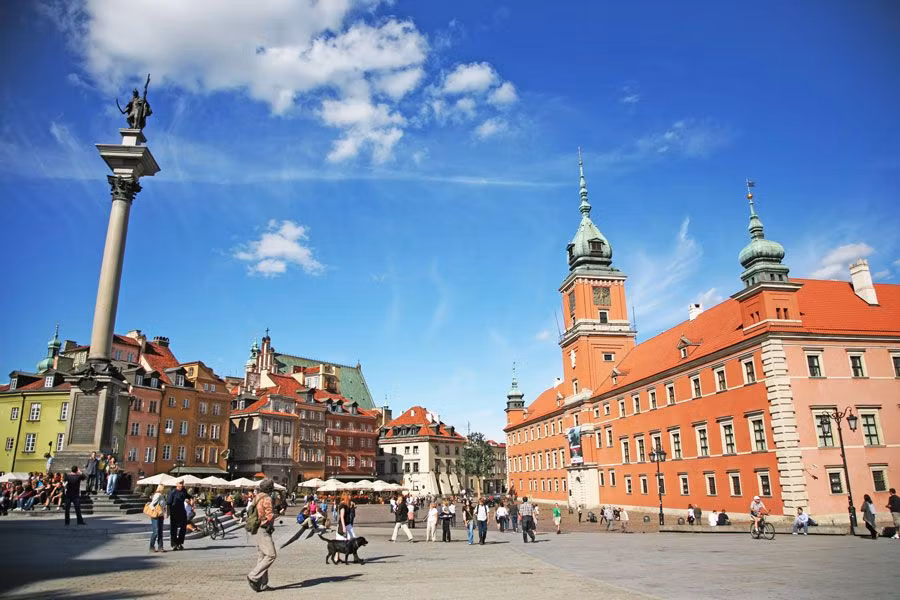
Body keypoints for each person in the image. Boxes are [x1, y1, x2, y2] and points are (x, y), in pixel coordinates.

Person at [247, 479, 277, 592]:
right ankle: (253, 576)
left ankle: (262, 584)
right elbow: (269, 515)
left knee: (262, 556)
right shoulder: (267, 498)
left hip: (256, 527)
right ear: (270, 488)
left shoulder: (257, 497)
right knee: (271, 555)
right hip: (263, 528)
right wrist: (275, 515)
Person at [167, 480, 191, 551]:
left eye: (182, 483)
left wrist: (190, 499)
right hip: (174, 513)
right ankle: (174, 544)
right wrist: (167, 513)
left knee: (183, 528)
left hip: (182, 512)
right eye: (180, 483)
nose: (182, 485)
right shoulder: (172, 492)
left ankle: (180, 543)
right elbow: (168, 503)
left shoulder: (184, 490)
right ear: (176, 484)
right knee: (173, 529)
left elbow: (188, 496)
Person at [148, 484, 167, 552]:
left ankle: (160, 547)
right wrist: (156, 511)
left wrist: (164, 513)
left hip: (161, 516)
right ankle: (151, 547)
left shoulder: (162, 495)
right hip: (155, 516)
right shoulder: (157, 495)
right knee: (156, 531)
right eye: (164, 488)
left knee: (160, 532)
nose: (165, 489)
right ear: (161, 489)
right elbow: (151, 505)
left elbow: (163, 506)